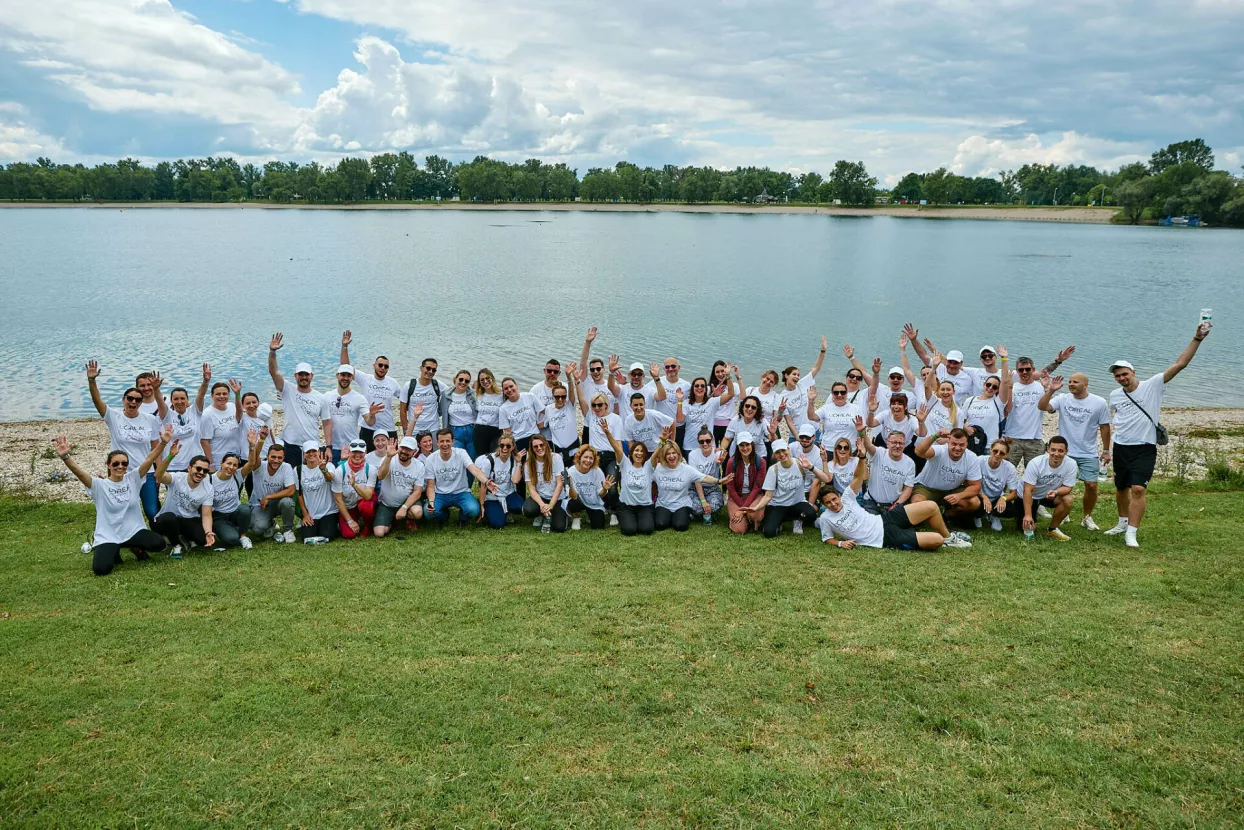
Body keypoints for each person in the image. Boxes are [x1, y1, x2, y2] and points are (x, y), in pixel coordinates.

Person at [1106, 321, 1212, 547]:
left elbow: (1179, 364)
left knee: (1138, 488)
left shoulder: (1153, 385)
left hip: (1144, 446)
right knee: (1121, 487)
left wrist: (1197, 339)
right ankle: (1122, 522)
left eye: (1124, 374)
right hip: (1121, 446)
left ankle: (1131, 532)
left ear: (1133, 372)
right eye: (1117, 376)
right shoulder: (1115, 395)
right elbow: (1117, 417)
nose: (1122, 378)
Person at [54, 429, 170, 575]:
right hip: (108, 535)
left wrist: (164, 443)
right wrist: (65, 456)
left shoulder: (133, 478)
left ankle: (134, 547)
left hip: (132, 531)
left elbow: (149, 459)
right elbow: (79, 472)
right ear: (108, 465)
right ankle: (110, 548)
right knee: (101, 570)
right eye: (115, 464)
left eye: (124, 463)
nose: (120, 466)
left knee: (159, 544)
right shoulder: (99, 485)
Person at [816, 454, 972, 550]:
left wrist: (862, 458)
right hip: (884, 538)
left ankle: (949, 538)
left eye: (834, 499)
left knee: (931, 506)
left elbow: (858, 477)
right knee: (935, 541)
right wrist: (840, 544)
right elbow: (826, 538)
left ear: (838, 495)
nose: (833, 504)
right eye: (828, 503)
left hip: (885, 518)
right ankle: (934, 538)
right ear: (824, 505)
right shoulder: (826, 518)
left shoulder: (847, 498)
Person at [86, 359, 162, 522]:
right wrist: (92, 381)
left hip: (145, 472)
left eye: (137, 400)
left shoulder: (150, 419)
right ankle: (128, 538)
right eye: (130, 398)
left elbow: (156, 446)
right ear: (124, 400)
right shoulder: (113, 416)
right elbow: (96, 401)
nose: (133, 402)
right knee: (123, 508)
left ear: (141, 403)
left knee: (152, 509)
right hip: (120, 471)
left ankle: (160, 538)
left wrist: (159, 470)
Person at [1039, 373, 1111, 530]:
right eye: (1070, 382)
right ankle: (1063, 513)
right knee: (1060, 483)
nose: (1071, 384)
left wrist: (1106, 450)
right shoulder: (1063, 398)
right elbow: (1043, 406)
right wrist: (1050, 390)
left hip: (1088, 452)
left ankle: (1087, 517)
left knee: (1091, 485)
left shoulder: (1099, 402)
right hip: (1065, 452)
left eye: (1075, 382)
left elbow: (1105, 427)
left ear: (1085, 385)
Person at [267, 333, 331, 473]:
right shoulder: (287, 389)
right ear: (295, 376)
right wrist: (272, 352)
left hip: (312, 445)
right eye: (300, 374)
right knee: (291, 480)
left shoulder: (320, 397)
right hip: (290, 445)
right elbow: (274, 372)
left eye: (306, 374)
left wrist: (328, 447)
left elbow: (326, 423)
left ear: (311, 376)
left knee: (312, 479)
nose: (303, 377)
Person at [911, 415, 982, 533]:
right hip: (928, 487)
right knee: (917, 502)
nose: (957, 448)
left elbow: (976, 486)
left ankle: (947, 515)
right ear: (948, 442)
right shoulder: (940, 450)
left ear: (967, 444)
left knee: (974, 502)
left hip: (952, 491)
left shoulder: (971, 457)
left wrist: (959, 496)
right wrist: (935, 436)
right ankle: (926, 518)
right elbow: (919, 451)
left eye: (961, 445)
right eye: (954, 444)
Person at [748, 438, 825, 538]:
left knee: (812, 515)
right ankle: (779, 521)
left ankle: (797, 519)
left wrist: (812, 467)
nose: (782, 454)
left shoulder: (800, 464)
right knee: (769, 533)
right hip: (778, 505)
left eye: (783, 450)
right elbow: (767, 496)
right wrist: (755, 508)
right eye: (777, 452)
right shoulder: (773, 469)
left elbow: (825, 479)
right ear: (775, 455)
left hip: (797, 503)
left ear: (788, 449)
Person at [151, 440, 216, 558]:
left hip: (188, 519)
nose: (201, 473)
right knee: (168, 519)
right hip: (170, 518)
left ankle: (185, 536)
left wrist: (208, 532)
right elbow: (158, 475)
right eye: (198, 469)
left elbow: (206, 515)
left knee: (202, 540)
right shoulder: (177, 477)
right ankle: (176, 544)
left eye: (205, 471)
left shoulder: (208, 488)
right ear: (189, 468)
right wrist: (170, 456)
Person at [340, 330, 400, 450]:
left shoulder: (393, 383)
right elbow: (346, 367)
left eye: (386, 366)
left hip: (388, 428)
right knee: (365, 459)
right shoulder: (365, 379)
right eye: (380, 365)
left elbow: (405, 399)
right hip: (367, 427)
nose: (383, 368)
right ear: (374, 365)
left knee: (391, 459)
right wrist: (344, 347)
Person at [652, 437, 728, 531]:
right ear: (664, 455)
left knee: (680, 526)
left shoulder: (686, 469)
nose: (671, 456)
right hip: (664, 504)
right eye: (668, 453)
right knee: (660, 524)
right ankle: (669, 517)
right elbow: (653, 458)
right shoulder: (659, 468)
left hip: (681, 504)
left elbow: (703, 477)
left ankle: (679, 516)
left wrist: (719, 481)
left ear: (678, 454)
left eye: (673, 453)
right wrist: (661, 442)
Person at [425, 428, 496, 526]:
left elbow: (474, 469)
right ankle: (444, 515)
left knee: (473, 510)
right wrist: (431, 502)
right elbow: (430, 486)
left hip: (461, 493)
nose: (445, 444)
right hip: (441, 494)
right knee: (428, 512)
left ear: (453, 441)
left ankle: (463, 517)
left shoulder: (461, 453)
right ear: (437, 442)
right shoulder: (430, 459)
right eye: (442, 441)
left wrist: (487, 482)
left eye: (448, 441)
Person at [601, 417, 657, 536]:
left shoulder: (648, 466)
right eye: (636, 450)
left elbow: (658, 452)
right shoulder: (625, 463)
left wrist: (662, 441)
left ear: (645, 454)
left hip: (644, 506)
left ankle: (642, 518)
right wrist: (607, 432)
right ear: (631, 453)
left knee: (647, 530)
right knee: (629, 530)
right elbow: (616, 447)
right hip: (626, 506)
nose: (639, 453)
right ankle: (626, 518)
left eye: (642, 451)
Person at [209, 431, 263, 549]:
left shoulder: (237, 475)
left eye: (234, 465)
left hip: (235, 511)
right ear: (221, 463)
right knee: (232, 539)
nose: (231, 467)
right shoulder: (210, 480)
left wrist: (252, 446)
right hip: (218, 516)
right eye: (228, 463)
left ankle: (243, 535)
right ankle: (226, 530)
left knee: (244, 509)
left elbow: (251, 463)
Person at [1020, 436, 1078, 541]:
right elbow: (1027, 490)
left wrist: (1055, 492)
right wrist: (1028, 515)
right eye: (1053, 450)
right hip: (1029, 496)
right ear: (1048, 450)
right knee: (1029, 527)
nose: (1056, 454)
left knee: (1068, 499)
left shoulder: (1071, 464)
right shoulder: (1035, 463)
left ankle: (1052, 529)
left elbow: (1068, 487)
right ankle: (1027, 515)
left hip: (1047, 495)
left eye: (1061, 451)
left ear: (1066, 452)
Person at [961, 345, 1013, 455]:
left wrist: (1004, 359)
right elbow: (960, 420)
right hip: (970, 445)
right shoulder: (970, 401)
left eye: (994, 387)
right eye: (988, 385)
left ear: (998, 390)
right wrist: (965, 428)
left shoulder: (998, 402)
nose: (990, 388)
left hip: (989, 448)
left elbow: (1004, 381)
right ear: (984, 385)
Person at [373, 436, 425, 538]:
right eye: (403, 448)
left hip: (407, 502)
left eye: (408, 449)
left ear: (414, 452)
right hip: (387, 504)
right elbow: (380, 476)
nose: (404, 451)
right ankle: (393, 521)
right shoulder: (388, 459)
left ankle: (409, 518)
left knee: (417, 512)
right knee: (379, 533)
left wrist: (404, 507)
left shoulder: (419, 466)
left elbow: (417, 492)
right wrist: (388, 457)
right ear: (399, 447)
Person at [297, 443, 350, 542]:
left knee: (327, 535)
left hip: (328, 511)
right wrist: (305, 514)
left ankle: (335, 524)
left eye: (314, 451)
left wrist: (323, 470)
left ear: (318, 452)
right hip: (311, 513)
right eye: (308, 452)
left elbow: (330, 478)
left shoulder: (328, 465)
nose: (311, 454)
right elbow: (299, 493)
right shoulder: (298, 470)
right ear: (304, 454)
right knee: (307, 537)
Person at [248, 443, 299, 544]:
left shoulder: (286, 467)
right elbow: (254, 457)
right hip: (259, 504)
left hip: (277, 503)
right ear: (267, 456)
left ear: (284, 458)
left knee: (287, 502)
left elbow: (291, 490)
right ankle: (271, 523)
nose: (276, 460)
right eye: (273, 457)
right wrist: (261, 440)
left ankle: (287, 530)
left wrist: (268, 497)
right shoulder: (259, 466)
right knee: (258, 529)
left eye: (280, 457)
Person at [517, 434, 568, 532]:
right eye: (535, 446)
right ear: (531, 449)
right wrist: (542, 505)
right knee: (528, 510)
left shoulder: (556, 458)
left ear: (546, 445)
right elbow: (531, 489)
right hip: (541, 497)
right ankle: (542, 513)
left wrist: (551, 505)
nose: (539, 448)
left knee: (559, 527)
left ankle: (550, 513)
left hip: (557, 498)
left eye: (541, 445)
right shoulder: (528, 464)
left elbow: (559, 484)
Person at [161, 370, 208, 475]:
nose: (179, 401)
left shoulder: (194, 411)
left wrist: (205, 381)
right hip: (173, 464)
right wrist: (155, 389)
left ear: (187, 400)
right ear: (171, 401)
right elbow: (160, 402)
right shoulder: (167, 415)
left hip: (195, 463)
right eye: (176, 399)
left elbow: (201, 395)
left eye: (182, 398)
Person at [778, 337, 828, 435]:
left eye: (798, 375)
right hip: (798, 432)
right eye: (794, 374)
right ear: (786, 375)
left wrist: (823, 351)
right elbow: (787, 420)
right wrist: (796, 436)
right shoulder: (782, 397)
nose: (797, 376)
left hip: (814, 430)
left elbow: (816, 368)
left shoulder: (803, 383)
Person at [680, 370, 735, 456]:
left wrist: (728, 375)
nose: (699, 388)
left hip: (708, 446)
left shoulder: (712, 402)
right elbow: (680, 419)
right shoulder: (686, 403)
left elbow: (730, 394)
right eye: (697, 386)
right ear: (692, 389)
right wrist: (679, 401)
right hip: (690, 446)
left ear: (706, 389)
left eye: (702, 386)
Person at [862, 431, 917, 514]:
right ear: (887, 443)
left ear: (904, 445)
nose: (897, 446)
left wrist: (897, 504)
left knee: (890, 526)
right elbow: (868, 445)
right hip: (871, 503)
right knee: (872, 526)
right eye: (894, 442)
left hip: (893, 505)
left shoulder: (910, 463)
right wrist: (861, 433)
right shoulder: (879, 453)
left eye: (901, 443)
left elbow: (908, 488)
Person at [476, 436, 524, 529]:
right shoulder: (489, 461)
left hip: (508, 493)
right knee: (498, 524)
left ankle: (506, 510)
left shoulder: (513, 459)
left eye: (508, 446)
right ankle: (488, 511)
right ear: (499, 445)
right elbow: (483, 485)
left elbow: (515, 480)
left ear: (513, 447)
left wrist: (518, 463)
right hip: (492, 496)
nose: (505, 448)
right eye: (502, 445)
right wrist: (482, 505)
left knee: (520, 507)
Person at [725, 432, 767, 535]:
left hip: (754, 495)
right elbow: (730, 487)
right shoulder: (731, 462)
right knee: (739, 529)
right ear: (738, 446)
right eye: (741, 445)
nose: (745, 448)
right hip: (736, 496)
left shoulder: (761, 462)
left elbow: (757, 488)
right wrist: (743, 508)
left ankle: (752, 520)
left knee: (756, 515)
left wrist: (742, 510)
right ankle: (747, 522)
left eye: (747, 444)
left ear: (752, 445)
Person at [326, 364, 369, 462]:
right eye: (343, 375)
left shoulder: (360, 398)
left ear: (352, 378)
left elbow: (369, 421)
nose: (345, 378)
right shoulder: (327, 396)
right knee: (331, 476)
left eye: (348, 376)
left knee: (350, 476)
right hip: (332, 446)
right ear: (337, 375)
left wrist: (372, 414)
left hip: (352, 446)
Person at [807, 380, 862, 457]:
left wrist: (862, 446)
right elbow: (811, 416)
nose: (839, 395)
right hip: (829, 449)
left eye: (842, 392)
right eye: (836, 393)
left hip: (849, 450)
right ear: (832, 394)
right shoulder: (826, 408)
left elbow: (862, 430)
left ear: (847, 394)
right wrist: (811, 401)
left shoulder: (856, 409)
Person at [198, 378, 244, 470]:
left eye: (224, 394)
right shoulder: (208, 414)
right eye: (218, 394)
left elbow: (240, 416)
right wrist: (210, 464)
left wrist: (237, 394)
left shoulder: (232, 406)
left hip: (236, 456)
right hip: (219, 459)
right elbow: (204, 441)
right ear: (212, 396)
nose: (221, 396)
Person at [337, 439, 378, 538]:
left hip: (363, 502)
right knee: (349, 535)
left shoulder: (371, 469)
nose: (357, 455)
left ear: (365, 453)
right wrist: (350, 521)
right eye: (354, 451)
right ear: (349, 452)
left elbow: (368, 496)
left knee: (367, 506)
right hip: (348, 506)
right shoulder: (340, 470)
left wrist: (354, 485)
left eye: (361, 452)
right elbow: (338, 500)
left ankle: (368, 526)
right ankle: (349, 520)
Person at [566, 445, 613, 530]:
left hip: (593, 502)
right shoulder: (571, 472)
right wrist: (571, 485)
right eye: (585, 457)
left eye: (591, 458)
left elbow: (601, 495)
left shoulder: (597, 471)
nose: (588, 460)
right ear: (579, 457)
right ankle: (576, 517)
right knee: (572, 501)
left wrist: (605, 489)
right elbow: (573, 496)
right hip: (577, 501)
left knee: (598, 526)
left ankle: (590, 514)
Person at [979, 438, 1021, 532]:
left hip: (996, 499)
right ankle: (978, 515)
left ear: (1006, 455)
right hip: (979, 496)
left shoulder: (1010, 468)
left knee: (1012, 510)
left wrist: (1003, 498)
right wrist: (983, 496)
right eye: (995, 451)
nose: (997, 454)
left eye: (1002, 453)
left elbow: (1014, 493)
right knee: (973, 502)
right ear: (990, 449)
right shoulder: (980, 461)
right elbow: (970, 484)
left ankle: (993, 515)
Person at [721, 390, 773, 460]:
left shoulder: (762, 421)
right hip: (737, 456)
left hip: (758, 456)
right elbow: (727, 439)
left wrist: (773, 433)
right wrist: (722, 449)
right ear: (742, 407)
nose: (749, 409)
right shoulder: (735, 420)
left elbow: (771, 438)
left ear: (757, 410)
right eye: (747, 406)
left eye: (753, 407)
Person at [687, 426, 726, 517]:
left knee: (714, 505)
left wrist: (721, 461)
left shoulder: (717, 453)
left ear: (712, 440)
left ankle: (699, 514)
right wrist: (703, 501)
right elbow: (697, 479)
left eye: (708, 441)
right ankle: (705, 513)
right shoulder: (692, 455)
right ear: (698, 441)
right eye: (701, 442)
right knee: (696, 507)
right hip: (696, 488)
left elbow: (720, 459)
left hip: (712, 488)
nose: (705, 444)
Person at [544, 370, 580, 467]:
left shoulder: (569, 406)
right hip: (558, 450)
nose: (560, 399)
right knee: (560, 477)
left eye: (563, 397)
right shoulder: (548, 409)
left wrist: (569, 376)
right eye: (557, 397)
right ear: (553, 397)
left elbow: (572, 391)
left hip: (573, 448)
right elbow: (541, 424)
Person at [498, 376, 544, 452]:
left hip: (535, 435)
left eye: (511, 386)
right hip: (518, 439)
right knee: (521, 463)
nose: (509, 390)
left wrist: (542, 422)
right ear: (503, 391)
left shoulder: (530, 396)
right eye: (506, 389)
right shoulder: (503, 409)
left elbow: (543, 411)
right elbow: (507, 431)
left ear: (516, 386)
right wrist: (512, 447)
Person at [400, 357, 442, 437]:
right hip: (414, 430)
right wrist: (405, 430)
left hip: (433, 429)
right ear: (421, 368)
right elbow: (402, 411)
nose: (430, 372)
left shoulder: (437, 385)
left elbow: (454, 391)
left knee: (435, 450)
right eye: (428, 368)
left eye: (434, 370)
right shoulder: (409, 385)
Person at [442, 369, 478, 459]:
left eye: (466, 381)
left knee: (472, 459)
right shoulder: (446, 395)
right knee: (456, 459)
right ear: (456, 379)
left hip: (472, 430)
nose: (463, 382)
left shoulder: (473, 394)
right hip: (455, 431)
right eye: (461, 379)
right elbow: (440, 411)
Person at [472, 368, 505, 455]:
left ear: (492, 379)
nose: (485, 381)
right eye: (482, 380)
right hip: (479, 431)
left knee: (494, 458)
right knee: (481, 459)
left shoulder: (502, 394)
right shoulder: (478, 395)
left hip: (496, 431)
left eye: (487, 378)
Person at [709, 360, 735, 443]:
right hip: (712, 424)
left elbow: (741, 396)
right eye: (717, 372)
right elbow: (703, 403)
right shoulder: (710, 387)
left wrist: (732, 376)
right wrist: (714, 395)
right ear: (714, 373)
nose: (720, 374)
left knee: (726, 452)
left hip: (728, 425)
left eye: (722, 371)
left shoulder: (732, 386)